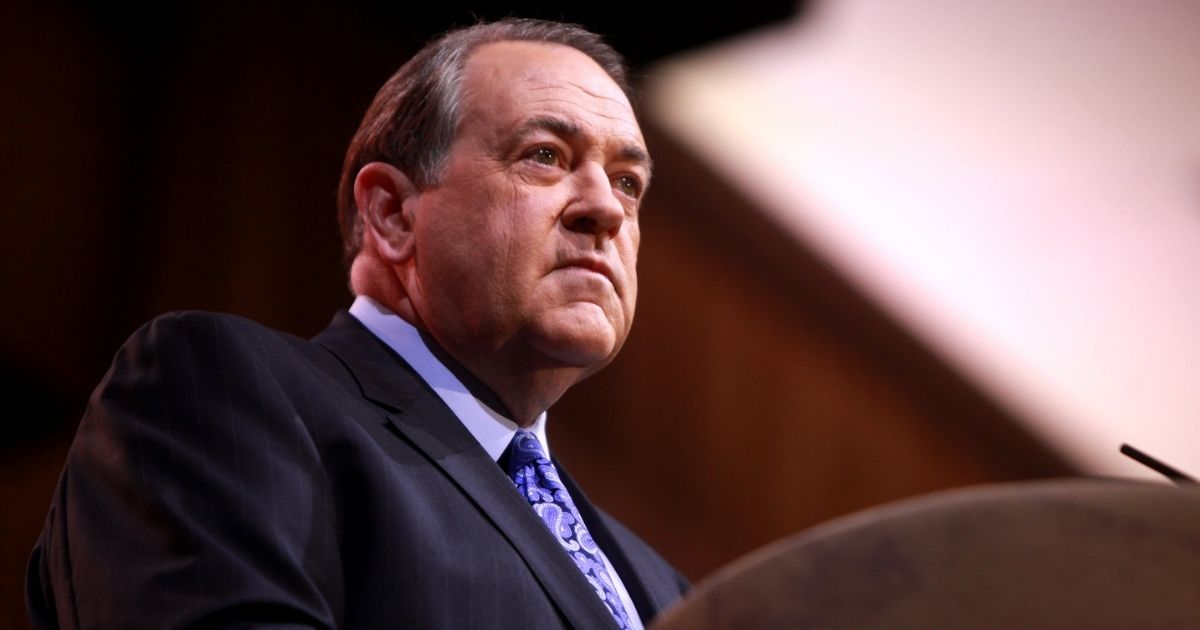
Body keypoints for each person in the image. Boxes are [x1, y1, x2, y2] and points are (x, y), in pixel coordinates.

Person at [26, 18, 688, 629]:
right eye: (545, 155)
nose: (606, 207)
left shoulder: (671, 593)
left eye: (629, 182)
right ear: (394, 214)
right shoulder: (222, 391)